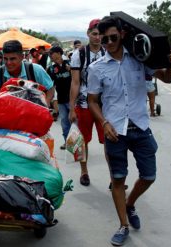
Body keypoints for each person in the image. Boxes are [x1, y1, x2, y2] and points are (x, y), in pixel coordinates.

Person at [86, 16, 171, 246]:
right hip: (115, 131)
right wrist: (104, 123)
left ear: (122, 35)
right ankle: (123, 224)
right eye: (103, 38)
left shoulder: (139, 58)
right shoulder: (96, 68)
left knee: (149, 176)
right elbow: (92, 101)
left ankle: (130, 203)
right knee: (118, 179)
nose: (108, 42)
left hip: (141, 127)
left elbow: (166, 78)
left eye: (113, 37)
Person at [69, 19, 105, 186]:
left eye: (100, 34)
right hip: (84, 104)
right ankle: (84, 171)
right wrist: (71, 108)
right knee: (83, 140)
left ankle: (115, 176)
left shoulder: (108, 52)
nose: (98, 37)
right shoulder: (79, 54)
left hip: (105, 104)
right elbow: (75, 82)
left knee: (110, 140)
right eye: (94, 33)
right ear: (88, 34)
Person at [0, 40, 54, 107]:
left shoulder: (36, 70)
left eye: (12, 59)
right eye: (5, 59)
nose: (8, 63)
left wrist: (45, 105)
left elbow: (50, 89)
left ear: (22, 57)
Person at [47, 46, 72, 149]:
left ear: (59, 53)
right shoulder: (52, 69)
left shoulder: (71, 63)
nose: (51, 56)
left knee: (75, 122)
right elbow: (48, 84)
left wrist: (72, 70)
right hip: (61, 100)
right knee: (65, 123)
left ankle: (77, 143)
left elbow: (79, 79)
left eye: (52, 54)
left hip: (73, 100)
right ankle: (67, 142)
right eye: (50, 55)